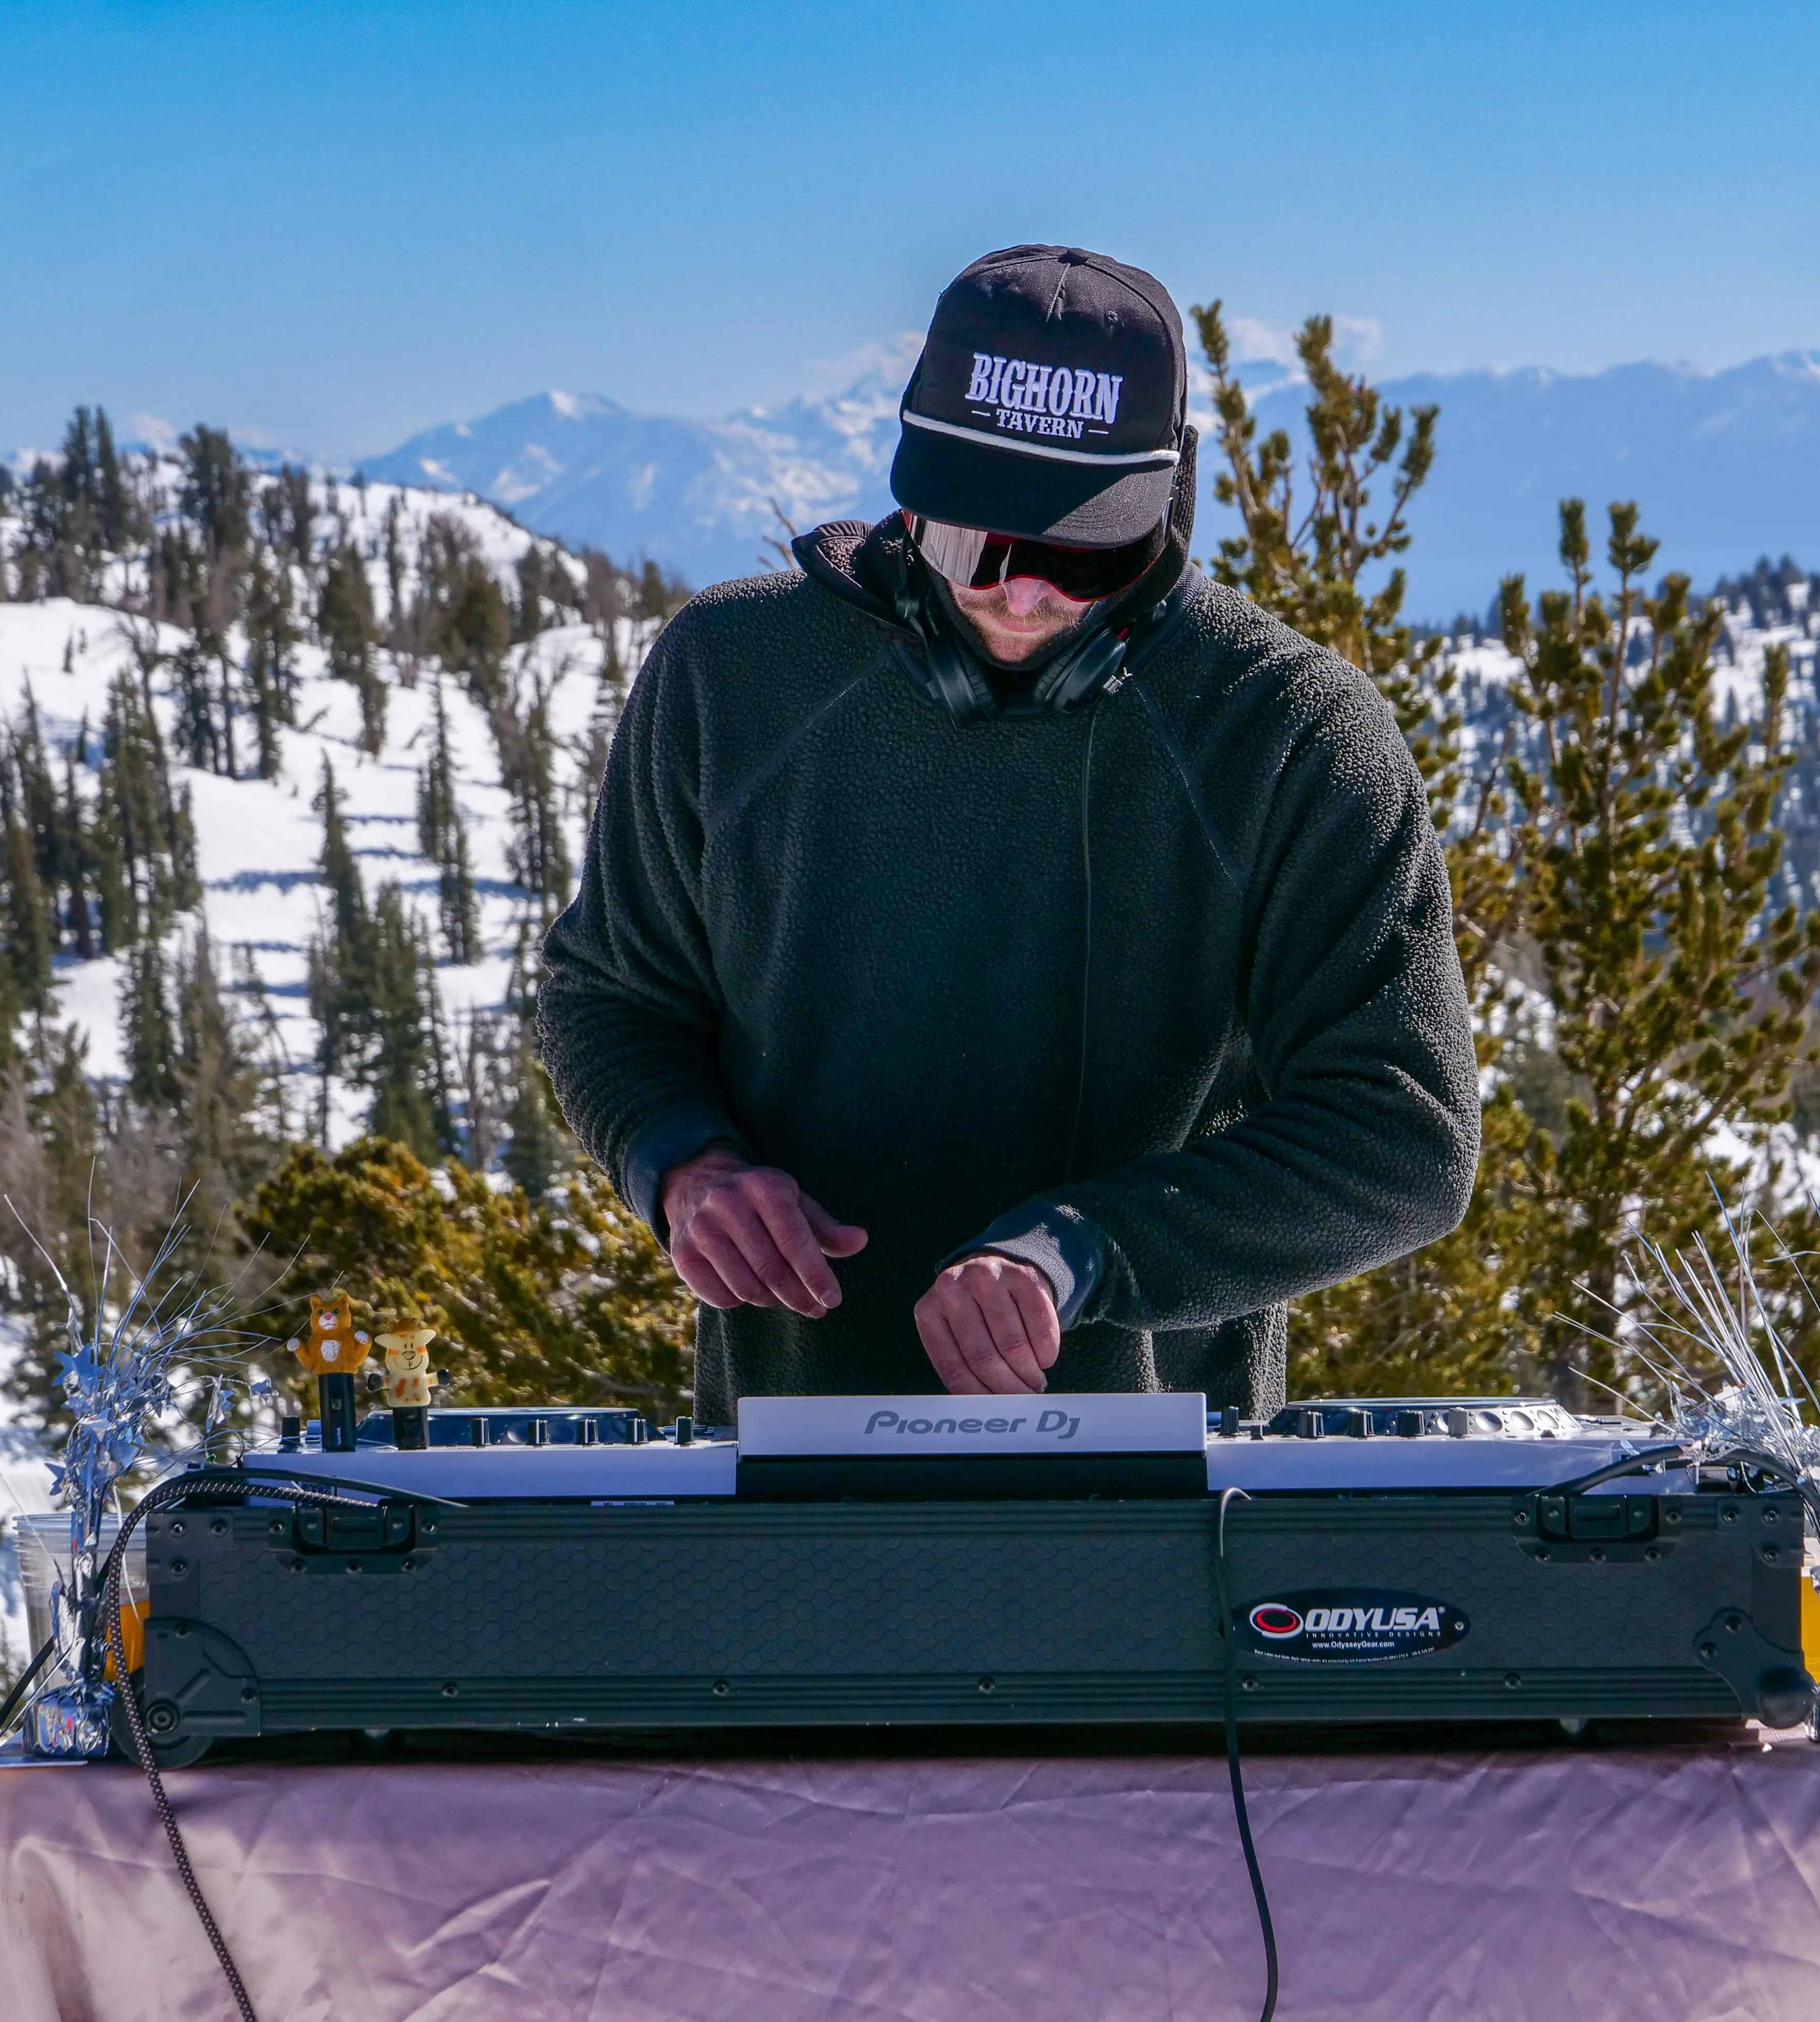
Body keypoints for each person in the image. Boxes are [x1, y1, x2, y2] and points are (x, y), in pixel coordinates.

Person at [537, 243, 1480, 1423]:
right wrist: (682, 1162)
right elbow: (606, 993)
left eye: (1082, 550)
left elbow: (1404, 1131)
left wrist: (1088, 1249)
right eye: (978, 543)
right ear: (907, 490)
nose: (1024, 592)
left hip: (1160, 1487)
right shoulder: (731, 679)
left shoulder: (1287, 734)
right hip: (787, 1463)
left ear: (1166, 505)